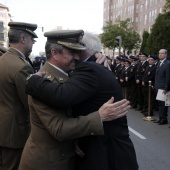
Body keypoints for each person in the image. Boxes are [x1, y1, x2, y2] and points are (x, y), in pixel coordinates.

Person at [25, 31, 138, 170]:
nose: (77, 56)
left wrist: (33, 81)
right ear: (54, 53)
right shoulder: (48, 78)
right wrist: (99, 117)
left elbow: (63, 96)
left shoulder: (87, 69)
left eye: (79, 50)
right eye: (73, 51)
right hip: (48, 162)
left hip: (109, 153)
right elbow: (59, 128)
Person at [0, 22, 38, 170]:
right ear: (23, 39)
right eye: (31, 40)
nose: (33, 44)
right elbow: (29, 102)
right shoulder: (22, 66)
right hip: (13, 132)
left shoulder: (3, 59)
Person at [154, 49, 170, 125]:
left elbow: (168, 77)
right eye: (159, 53)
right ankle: (161, 118)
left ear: (166, 54)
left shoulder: (168, 63)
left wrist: (166, 88)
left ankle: (164, 119)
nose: (160, 55)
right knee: (160, 104)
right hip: (158, 87)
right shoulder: (159, 63)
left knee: (164, 104)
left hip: (164, 88)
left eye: (162, 53)